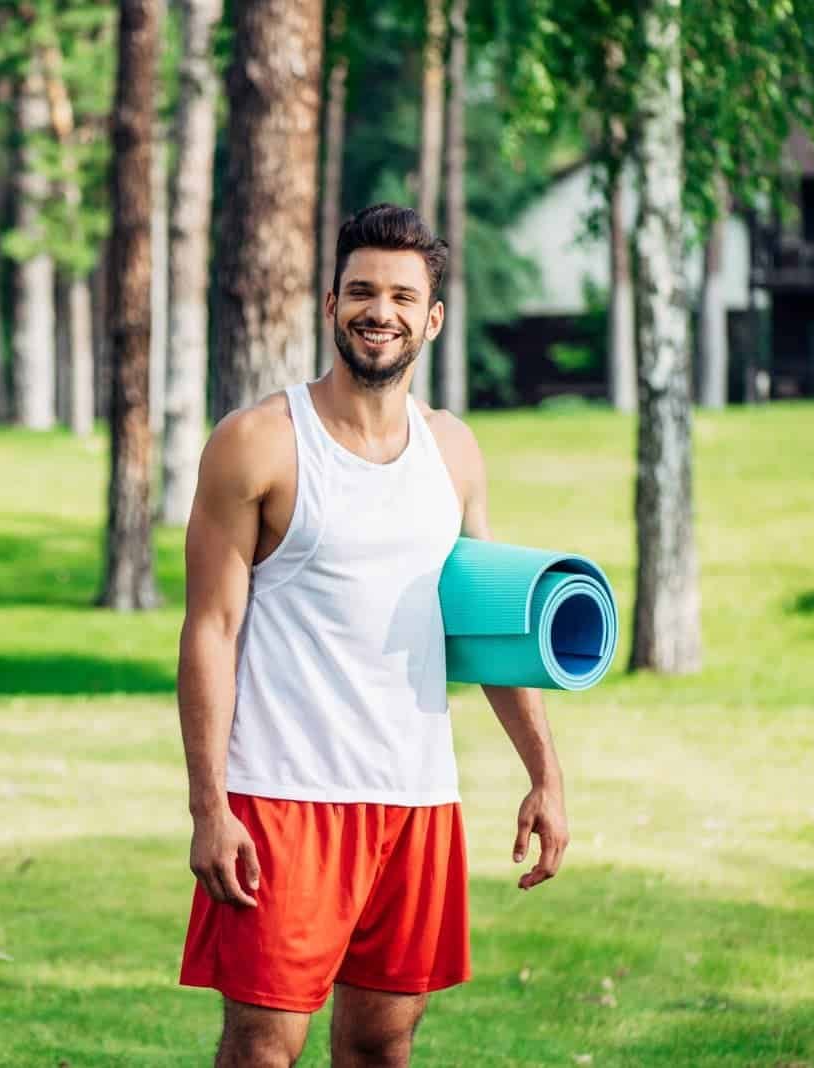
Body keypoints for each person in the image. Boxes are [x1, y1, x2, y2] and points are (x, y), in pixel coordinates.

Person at [177, 203, 569, 1067]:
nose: (377, 311)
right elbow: (210, 628)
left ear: (431, 319)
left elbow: (487, 626)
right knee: (261, 1049)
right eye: (360, 291)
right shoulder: (259, 445)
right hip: (283, 798)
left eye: (400, 295)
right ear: (330, 305)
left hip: (416, 801)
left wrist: (544, 774)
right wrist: (211, 806)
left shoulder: (454, 453)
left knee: (384, 1044)